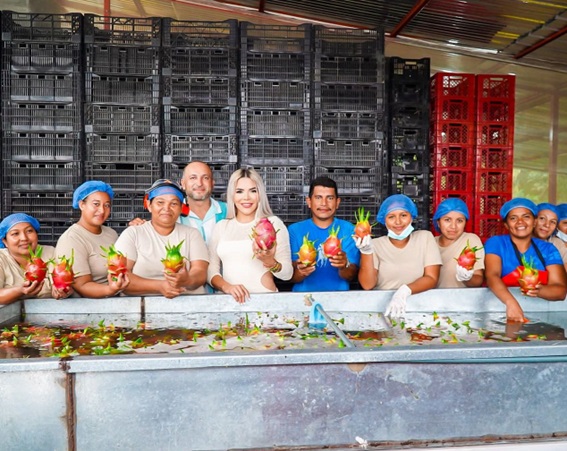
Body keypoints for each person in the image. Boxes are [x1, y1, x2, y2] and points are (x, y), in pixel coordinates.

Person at [207, 168, 293, 303]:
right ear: (232, 195)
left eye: (253, 191)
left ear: (260, 194)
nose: (246, 197)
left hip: (265, 300)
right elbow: (211, 271)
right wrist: (227, 287)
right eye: (239, 191)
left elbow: (287, 274)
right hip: (228, 302)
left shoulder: (273, 223)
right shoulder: (221, 227)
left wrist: (270, 261)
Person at [115, 179, 209, 298]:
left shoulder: (192, 234)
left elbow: (200, 272)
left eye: (173, 203)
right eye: (160, 202)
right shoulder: (133, 234)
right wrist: (159, 286)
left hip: (188, 303)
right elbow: (119, 275)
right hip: (142, 306)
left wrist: (187, 280)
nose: (166, 208)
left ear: (181, 208)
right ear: (149, 205)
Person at [355, 194, 442, 317]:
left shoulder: (425, 238)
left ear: (411, 217)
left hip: (419, 309)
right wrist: (366, 252)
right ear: (384, 220)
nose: (398, 222)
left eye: (403, 215)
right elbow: (367, 285)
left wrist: (404, 291)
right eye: (391, 217)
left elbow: (432, 278)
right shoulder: (375, 245)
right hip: (384, 310)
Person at [484, 198, 567, 323]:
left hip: (540, 318)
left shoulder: (548, 249)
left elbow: (560, 291)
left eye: (526, 217)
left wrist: (537, 290)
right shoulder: (496, 243)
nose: (520, 222)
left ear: (534, 222)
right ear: (506, 224)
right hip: (500, 312)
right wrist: (510, 303)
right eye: (513, 218)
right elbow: (492, 275)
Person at [56, 181, 130, 298]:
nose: (102, 210)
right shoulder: (72, 239)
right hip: (88, 305)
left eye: (107, 205)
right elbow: (82, 286)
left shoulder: (111, 233)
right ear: (82, 205)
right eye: (96, 204)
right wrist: (110, 290)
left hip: (114, 300)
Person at [288, 176, 359, 292]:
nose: (324, 203)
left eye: (330, 198)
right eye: (318, 197)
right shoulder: (294, 230)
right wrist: (301, 272)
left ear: (337, 202)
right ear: (309, 202)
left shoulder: (349, 230)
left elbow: (351, 275)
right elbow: (289, 277)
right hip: (304, 299)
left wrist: (344, 265)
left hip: (339, 299)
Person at [129, 161, 227, 244]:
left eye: (205, 178)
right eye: (193, 178)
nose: (199, 183)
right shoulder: (169, 212)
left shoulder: (229, 211)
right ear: (183, 184)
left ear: (212, 183)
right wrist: (140, 225)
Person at [0, 213, 71, 305]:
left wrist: (64, 291)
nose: (24, 238)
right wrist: (20, 291)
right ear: (5, 241)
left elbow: (65, 281)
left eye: (29, 231)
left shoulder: (51, 253)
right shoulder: (1, 259)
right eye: (15, 234)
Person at [432, 198, 485, 288]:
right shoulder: (431, 243)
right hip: (433, 297)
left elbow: (478, 279)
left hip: (462, 296)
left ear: (465, 223)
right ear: (438, 222)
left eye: (459, 221)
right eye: (447, 220)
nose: (453, 226)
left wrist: (467, 278)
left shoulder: (470, 240)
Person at [533, 202, 567, 271]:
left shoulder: (557, 244)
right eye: (542, 218)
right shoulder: (519, 241)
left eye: (552, 222)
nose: (547, 225)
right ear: (533, 220)